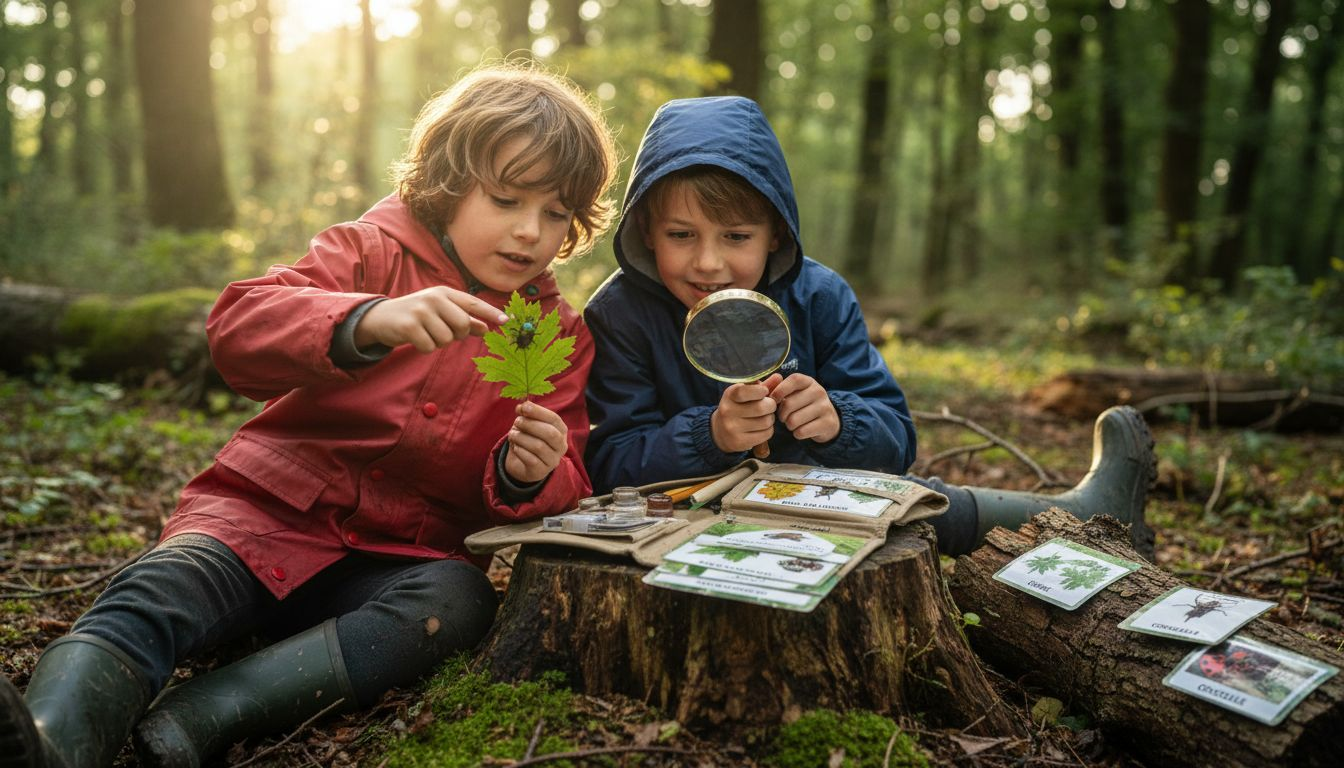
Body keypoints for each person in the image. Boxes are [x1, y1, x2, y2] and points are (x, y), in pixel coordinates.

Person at [0, 64, 617, 768]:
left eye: (556, 212)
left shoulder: (555, 335)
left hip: (396, 562)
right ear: (450, 182)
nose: (530, 231)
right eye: (507, 199)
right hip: (260, 521)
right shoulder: (365, 252)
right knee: (156, 592)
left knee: (458, 600)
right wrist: (369, 319)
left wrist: (523, 474)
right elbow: (238, 330)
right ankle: (52, 742)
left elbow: (567, 471)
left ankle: (209, 712)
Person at [583, 95, 1154, 558]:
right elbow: (608, 465)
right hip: (682, 521)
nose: (708, 263)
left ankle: (1088, 519)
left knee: (921, 503)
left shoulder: (819, 298)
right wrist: (710, 435)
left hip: (823, 501)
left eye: (736, 237)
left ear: (775, 233)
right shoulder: (620, 316)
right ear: (646, 232)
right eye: (681, 235)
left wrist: (838, 422)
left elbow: (897, 439)